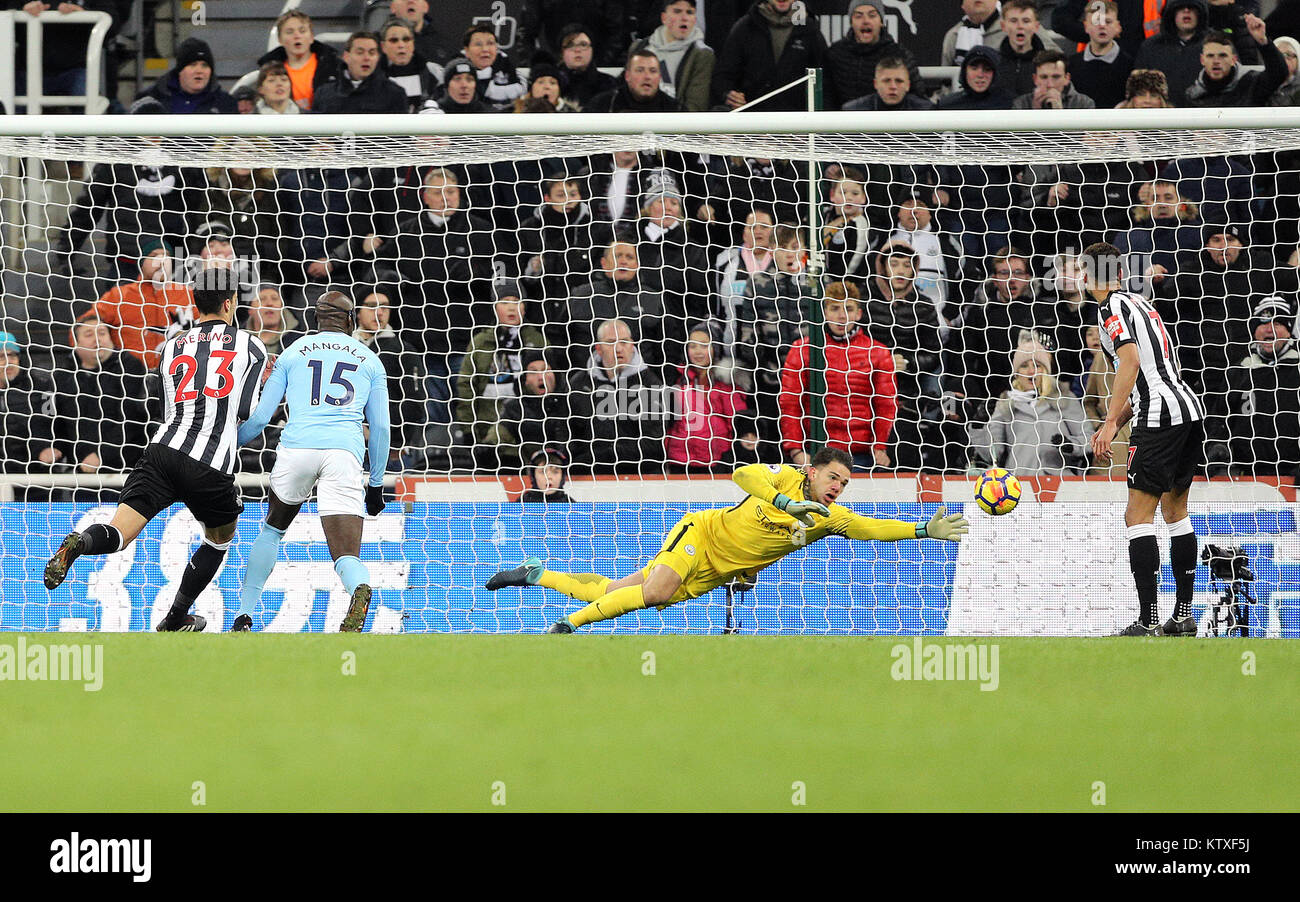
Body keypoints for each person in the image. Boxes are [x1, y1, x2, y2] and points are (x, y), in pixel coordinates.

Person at [486, 448, 969, 633]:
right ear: (812, 471)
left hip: (718, 572)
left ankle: (536, 574)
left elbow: (872, 528)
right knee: (656, 592)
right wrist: (784, 505)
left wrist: (923, 528)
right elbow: (741, 473)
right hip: (701, 533)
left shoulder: (829, 517)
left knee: (616, 592)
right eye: (834, 478)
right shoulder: (782, 479)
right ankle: (566, 626)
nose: (838, 488)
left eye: (844, 484)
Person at [43, 268, 270, 633]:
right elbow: (245, 413)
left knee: (119, 534)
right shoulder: (252, 346)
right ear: (230, 304)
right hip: (210, 462)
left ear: (195, 305)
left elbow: (167, 409)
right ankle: (175, 617)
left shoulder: (171, 346)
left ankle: (80, 543)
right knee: (219, 539)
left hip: (161, 451)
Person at [233, 292, 390, 633]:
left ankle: (243, 614)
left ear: (316, 320)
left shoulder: (293, 352)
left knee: (273, 530)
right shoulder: (370, 359)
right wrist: (376, 484)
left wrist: (229, 448)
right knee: (347, 554)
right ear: (350, 321)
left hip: (296, 448)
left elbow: (261, 418)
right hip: (343, 454)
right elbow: (379, 427)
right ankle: (358, 588)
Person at [1085, 242, 1206, 637]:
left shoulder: (1109, 311)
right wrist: (1117, 421)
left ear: (1087, 276)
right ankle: (1184, 616)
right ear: (1119, 272)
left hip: (1159, 418)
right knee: (1176, 513)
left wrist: (1106, 423)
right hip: (1188, 409)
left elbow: (1133, 362)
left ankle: (1148, 620)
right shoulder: (1141, 303)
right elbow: (1151, 374)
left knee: (1137, 516)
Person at [779, 286, 897, 471]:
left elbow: (886, 405)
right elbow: (790, 403)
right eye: (835, 308)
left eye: (848, 309)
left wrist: (879, 446)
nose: (842, 316)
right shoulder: (802, 350)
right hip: (816, 452)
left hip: (861, 455)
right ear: (824, 312)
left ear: (858, 313)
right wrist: (796, 450)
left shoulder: (878, 353)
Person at [1206, 296, 1300, 475]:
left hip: (1293, 477)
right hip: (1246, 476)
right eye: (1262, 323)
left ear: (1289, 331)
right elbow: (1219, 417)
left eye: (1277, 323)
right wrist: (1217, 445)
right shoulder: (1239, 370)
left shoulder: (1297, 369)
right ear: (1254, 331)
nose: (1269, 329)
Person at [975, 337, 1093, 474]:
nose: (1031, 371)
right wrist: (978, 427)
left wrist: (1071, 446)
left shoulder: (1064, 397)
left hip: (1061, 483)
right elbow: (993, 454)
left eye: (1037, 365)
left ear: (1046, 370)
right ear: (1017, 373)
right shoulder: (1006, 403)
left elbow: (1089, 438)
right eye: (1024, 366)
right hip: (1019, 483)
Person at [80, 238, 195, 370]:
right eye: (153, 256)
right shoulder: (118, 296)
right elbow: (82, 328)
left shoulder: (188, 294)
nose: (162, 261)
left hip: (180, 374)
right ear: (141, 264)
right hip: (129, 378)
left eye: (166, 256)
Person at [664, 324, 757, 471]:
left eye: (704, 345)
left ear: (715, 348)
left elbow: (739, 421)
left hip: (716, 462)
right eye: (693, 346)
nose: (698, 351)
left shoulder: (726, 385)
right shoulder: (678, 381)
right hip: (679, 460)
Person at [711, 0, 828, 111]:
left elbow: (826, 82)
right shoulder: (744, 27)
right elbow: (723, 75)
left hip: (797, 124)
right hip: (751, 122)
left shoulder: (810, 30)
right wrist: (729, 94)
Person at [825, 0, 922, 110]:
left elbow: (917, 99)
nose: (865, 21)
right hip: (843, 123)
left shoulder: (899, 54)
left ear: (881, 21)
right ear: (851, 22)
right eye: (858, 16)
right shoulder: (835, 54)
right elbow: (826, 98)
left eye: (872, 15)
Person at [629, 0, 716, 112]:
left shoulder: (702, 55)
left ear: (694, 19)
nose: (684, 17)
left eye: (689, 12)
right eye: (677, 11)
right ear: (664, 17)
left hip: (675, 124)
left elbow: (696, 107)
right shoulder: (639, 47)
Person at [1182, 19, 1287, 106]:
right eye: (1210, 56)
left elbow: (1279, 73)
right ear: (1202, 60)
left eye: (1222, 55)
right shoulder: (1193, 96)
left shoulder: (1252, 84)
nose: (1216, 61)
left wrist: (1263, 42)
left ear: (1234, 60)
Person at [255, 9, 343, 112]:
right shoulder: (268, 68)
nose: (297, 36)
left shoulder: (333, 65)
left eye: (302, 31)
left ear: (311, 37)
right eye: (289, 32)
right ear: (280, 39)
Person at [312, 31, 408, 115]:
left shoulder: (394, 93)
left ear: (378, 57)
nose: (366, 58)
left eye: (372, 53)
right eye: (360, 52)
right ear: (346, 56)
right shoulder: (324, 93)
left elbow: (402, 134)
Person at [134, 37, 236, 114]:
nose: (199, 71)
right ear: (180, 70)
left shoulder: (226, 103)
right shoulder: (150, 99)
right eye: (192, 65)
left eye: (204, 65)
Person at [1067, 0, 1134, 109]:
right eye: (1096, 21)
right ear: (1086, 26)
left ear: (1118, 26)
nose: (1102, 26)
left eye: (1108, 21)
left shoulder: (1130, 66)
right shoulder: (1071, 65)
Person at [588, 47, 684, 112]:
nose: (647, 76)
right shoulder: (604, 104)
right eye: (640, 70)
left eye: (653, 71)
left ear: (659, 77)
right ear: (627, 76)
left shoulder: (675, 109)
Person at [461, 23, 527, 111]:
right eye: (478, 44)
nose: (485, 49)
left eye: (490, 43)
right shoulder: (456, 74)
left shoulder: (509, 69)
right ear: (467, 51)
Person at [557, 25, 618, 108]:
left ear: (592, 49)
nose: (577, 50)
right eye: (570, 45)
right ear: (562, 52)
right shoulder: (553, 84)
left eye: (583, 44)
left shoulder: (609, 84)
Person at [943, 0, 1006, 67]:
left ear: (996, 1)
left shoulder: (1009, 30)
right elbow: (945, 74)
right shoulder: (954, 35)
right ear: (962, 5)